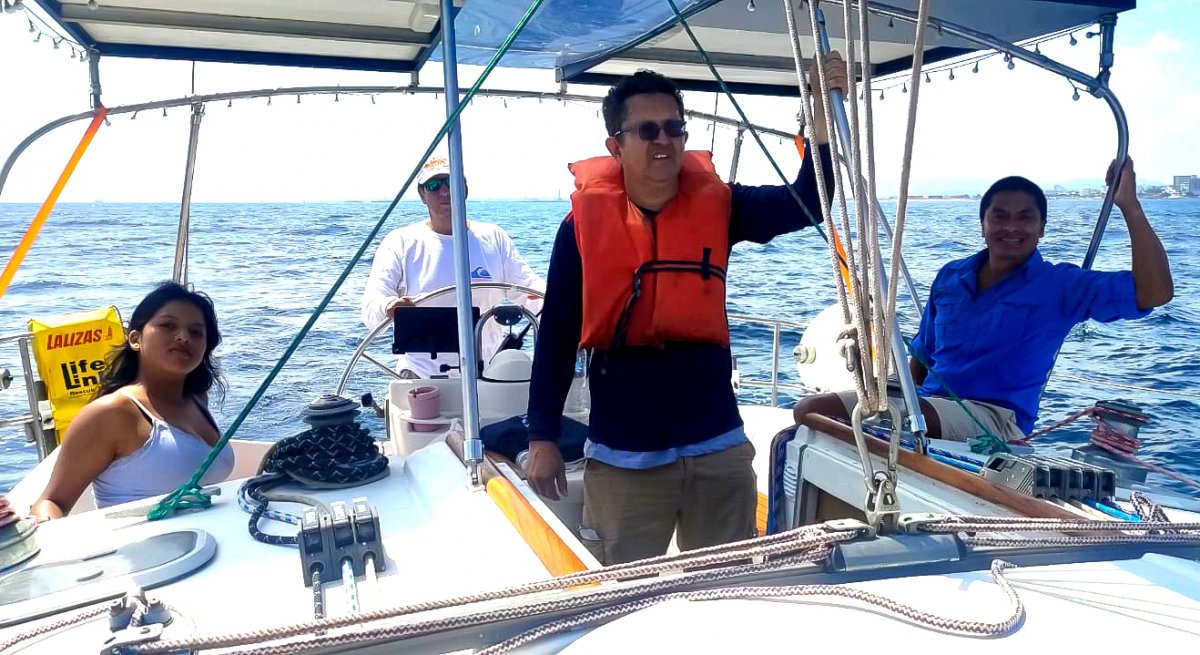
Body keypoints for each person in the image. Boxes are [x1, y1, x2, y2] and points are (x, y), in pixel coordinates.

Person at [524, 57, 847, 565]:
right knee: (625, 596)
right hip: (624, 453)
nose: (663, 141)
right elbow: (558, 335)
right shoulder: (580, 230)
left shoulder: (722, 207)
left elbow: (811, 201)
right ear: (616, 145)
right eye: (646, 130)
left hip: (715, 442)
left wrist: (822, 126)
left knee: (726, 588)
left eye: (674, 128)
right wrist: (541, 434)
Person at [793, 159, 1174, 441]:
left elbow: (1155, 292)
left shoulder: (1062, 285)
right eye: (999, 216)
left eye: (1025, 217)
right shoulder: (950, 277)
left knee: (893, 424)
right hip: (926, 405)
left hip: (993, 418)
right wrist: (893, 391)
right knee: (809, 410)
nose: (1011, 226)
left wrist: (1130, 205)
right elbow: (923, 357)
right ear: (983, 224)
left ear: (1042, 228)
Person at [31, 282, 234, 517]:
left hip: (211, 546)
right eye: (168, 326)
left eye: (196, 332)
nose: (183, 337)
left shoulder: (198, 400)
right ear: (136, 339)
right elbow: (52, 501)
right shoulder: (111, 413)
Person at [360, 157, 545, 379]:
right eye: (433, 186)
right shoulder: (400, 241)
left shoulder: (494, 237)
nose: (444, 191)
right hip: (420, 377)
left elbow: (530, 292)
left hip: (489, 373)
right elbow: (371, 305)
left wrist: (566, 308)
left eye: (450, 182)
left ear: (464, 189)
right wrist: (389, 306)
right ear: (422, 195)